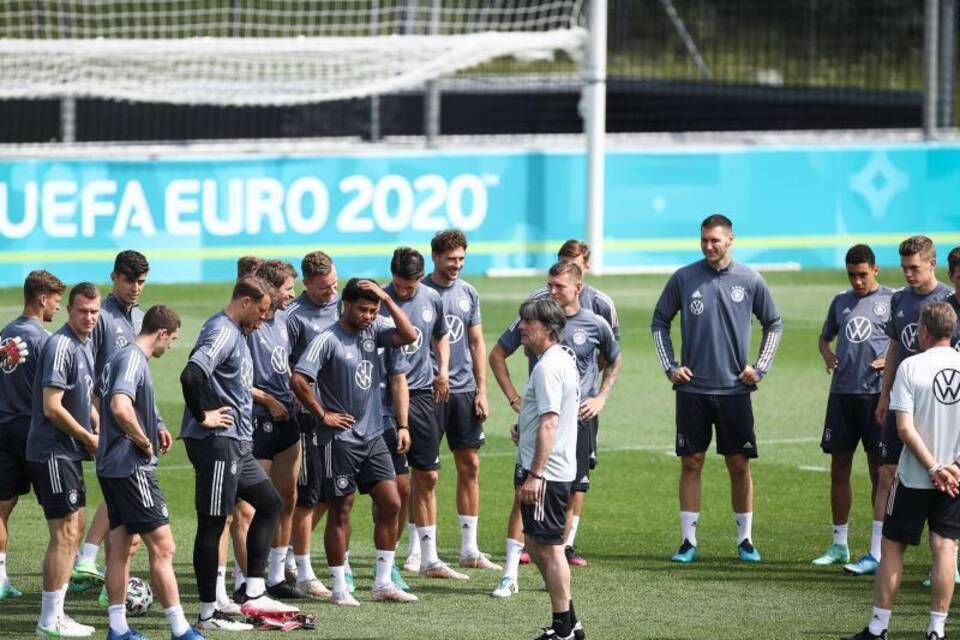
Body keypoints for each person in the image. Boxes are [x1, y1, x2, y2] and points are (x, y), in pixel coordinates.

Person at [651, 214, 783, 563]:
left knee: (738, 464)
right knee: (691, 462)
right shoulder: (684, 278)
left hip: (735, 390)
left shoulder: (750, 279)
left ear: (731, 239)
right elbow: (659, 322)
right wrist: (670, 367)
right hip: (692, 390)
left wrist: (761, 367)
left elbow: (774, 324)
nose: (709, 246)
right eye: (704, 240)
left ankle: (746, 540)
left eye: (715, 240)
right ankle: (688, 542)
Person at [489, 261, 620, 597]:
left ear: (579, 287)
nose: (552, 291)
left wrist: (600, 398)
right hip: (544, 425)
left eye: (559, 286)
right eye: (550, 285)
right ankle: (513, 573)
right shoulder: (539, 329)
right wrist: (518, 404)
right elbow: (498, 354)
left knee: (566, 494)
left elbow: (612, 359)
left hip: (571, 428)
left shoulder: (594, 323)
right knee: (526, 501)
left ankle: (560, 585)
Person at [290, 278, 418, 605]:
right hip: (339, 439)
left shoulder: (373, 331)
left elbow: (409, 335)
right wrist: (323, 415)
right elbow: (300, 379)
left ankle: (382, 582)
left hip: (373, 433)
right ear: (345, 305)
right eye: (363, 309)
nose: (368, 315)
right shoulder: (327, 339)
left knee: (391, 502)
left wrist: (386, 302)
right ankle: (338, 587)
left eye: (372, 310)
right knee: (341, 508)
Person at [179, 276, 294, 632]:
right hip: (218, 444)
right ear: (244, 302)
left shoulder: (240, 334)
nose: (262, 320)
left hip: (238, 445)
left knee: (271, 503)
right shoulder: (223, 331)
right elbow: (191, 374)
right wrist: (203, 416)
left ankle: (255, 592)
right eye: (260, 312)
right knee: (213, 522)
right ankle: (208, 613)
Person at [842, 302, 960, 640]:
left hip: (913, 476)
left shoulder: (910, 367)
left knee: (892, 547)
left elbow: (905, 429)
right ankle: (936, 630)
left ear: (923, 331)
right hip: (954, 481)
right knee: (946, 548)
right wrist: (952, 468)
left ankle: (879, 628)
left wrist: (933, 467)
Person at [845, 235, 954, 576]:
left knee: (949, 476)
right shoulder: (899, 300)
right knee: (886, 473)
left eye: (915, 268)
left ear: (932, 265)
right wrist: (884, 394)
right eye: (904, 268)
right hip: (902, 402)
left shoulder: (949, 302)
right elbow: (894, 346)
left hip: (940, 403)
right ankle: (877, 552)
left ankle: (949, 559)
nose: (908, 274)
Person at [97, 305, 206, 640]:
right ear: (161, 333)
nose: (168, 347)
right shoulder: (133, 358)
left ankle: (117, 628)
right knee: (163, 547)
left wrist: (154, 424)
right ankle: (180, 629)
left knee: (119, 547)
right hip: (131, 467)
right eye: (170, 340)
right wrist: (143, 440)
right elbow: (119, 405)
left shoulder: (120, 357)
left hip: (110, 467)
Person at [77, 250, 158, 604]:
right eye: (129, 280)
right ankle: (91, 563)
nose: (135, 288)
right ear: (114, 278)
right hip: (109, 422)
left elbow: (142, 381)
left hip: (132, 422)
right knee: (124, 502)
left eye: (141, 281)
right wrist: (96, 422)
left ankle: (97, 571)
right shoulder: (102, 318)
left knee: (122, 505)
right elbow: (87, 377)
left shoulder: (140, 318)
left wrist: (158, 421)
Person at [382, 247, 464, 579]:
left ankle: (429, 557)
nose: (404, 292)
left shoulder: (432, 298)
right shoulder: (379, 300)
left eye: (410, 286)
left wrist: (442, 371)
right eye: (399, 285)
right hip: (383, 399)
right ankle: (391, 557)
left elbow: (441, 337)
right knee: (395, 486)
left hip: (422, 396)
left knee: (427, 476)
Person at [27, 282, 101, 638]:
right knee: (64, 533)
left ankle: (57, 613)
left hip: (68, 451)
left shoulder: (84, 344)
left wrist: (94, 418)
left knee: (75, 529)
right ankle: (47, 621)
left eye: (94, 312)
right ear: (70, 310)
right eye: (83, 311)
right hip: (53, 450)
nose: (89, 317)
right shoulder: (60, 345)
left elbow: (79, 395)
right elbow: (51, 406)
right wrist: (87, 436)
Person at [811, 245, 893, 567]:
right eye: (851, 275)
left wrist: (889, 359)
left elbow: (907, 341)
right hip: (842, 394)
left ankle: (878, 547)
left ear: (875, 270)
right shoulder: (840, 302)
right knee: (839, 467)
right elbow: (824, 338)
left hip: (876, 396)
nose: (857, 282)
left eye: (862, 274)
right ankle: (838, 544)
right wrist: (828, 355)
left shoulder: (892, 300)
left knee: (878, 472)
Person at [422, 230, 499, 570]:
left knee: (470, 465)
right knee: (425, 473)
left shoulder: (469, 292)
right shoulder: (420, 292)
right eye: (451, 259)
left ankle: (469, 549)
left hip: (465, 390)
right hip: (427, 391)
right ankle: (419, 549)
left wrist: (482, 389)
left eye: (461, 260)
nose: (456, 265)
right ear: (435, 257)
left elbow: (477, 342)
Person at [230, 260, 304, 601]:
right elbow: (235, 377)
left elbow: (282, 361)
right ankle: (245, 580)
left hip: (287, 417)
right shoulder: (248, 324)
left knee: (286, 496)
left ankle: (276, 576)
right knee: (248, 507)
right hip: (257, 419)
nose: (293, 293)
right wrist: (267, 399)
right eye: (289, 287)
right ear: (271, 290)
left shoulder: (284, 319)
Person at [511, 298, 582, 640]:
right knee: (538, 544)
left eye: (528, 322)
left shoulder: (547, 367)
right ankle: (570, 622)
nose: (521, 327)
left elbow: (551, 421)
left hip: (546, 473)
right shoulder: (561, 359)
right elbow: (547, 416)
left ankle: (563, 628)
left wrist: (535, 474)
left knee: (548, 548)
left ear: (548, 328)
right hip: (553, 468)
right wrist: (522, 429)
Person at [0, 270, 64, 600]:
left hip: (4, 429)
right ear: (42, 298)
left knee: (1, 508)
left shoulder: (4, 334)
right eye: (56, 299)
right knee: (65, 518)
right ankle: (58, 595)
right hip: (35, 436)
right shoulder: (45, 341)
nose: (58, 306)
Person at [284, 250, 341, 597]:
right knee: (307, 495)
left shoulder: (342, 307)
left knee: (333, 494)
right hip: (308, 417)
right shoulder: (294, 317)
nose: (331, 293)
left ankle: (291, 552)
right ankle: (302, 572)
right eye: (323, 289)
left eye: (335, 285)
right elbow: (285, 368)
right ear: (307, 284)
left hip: (341, 417)